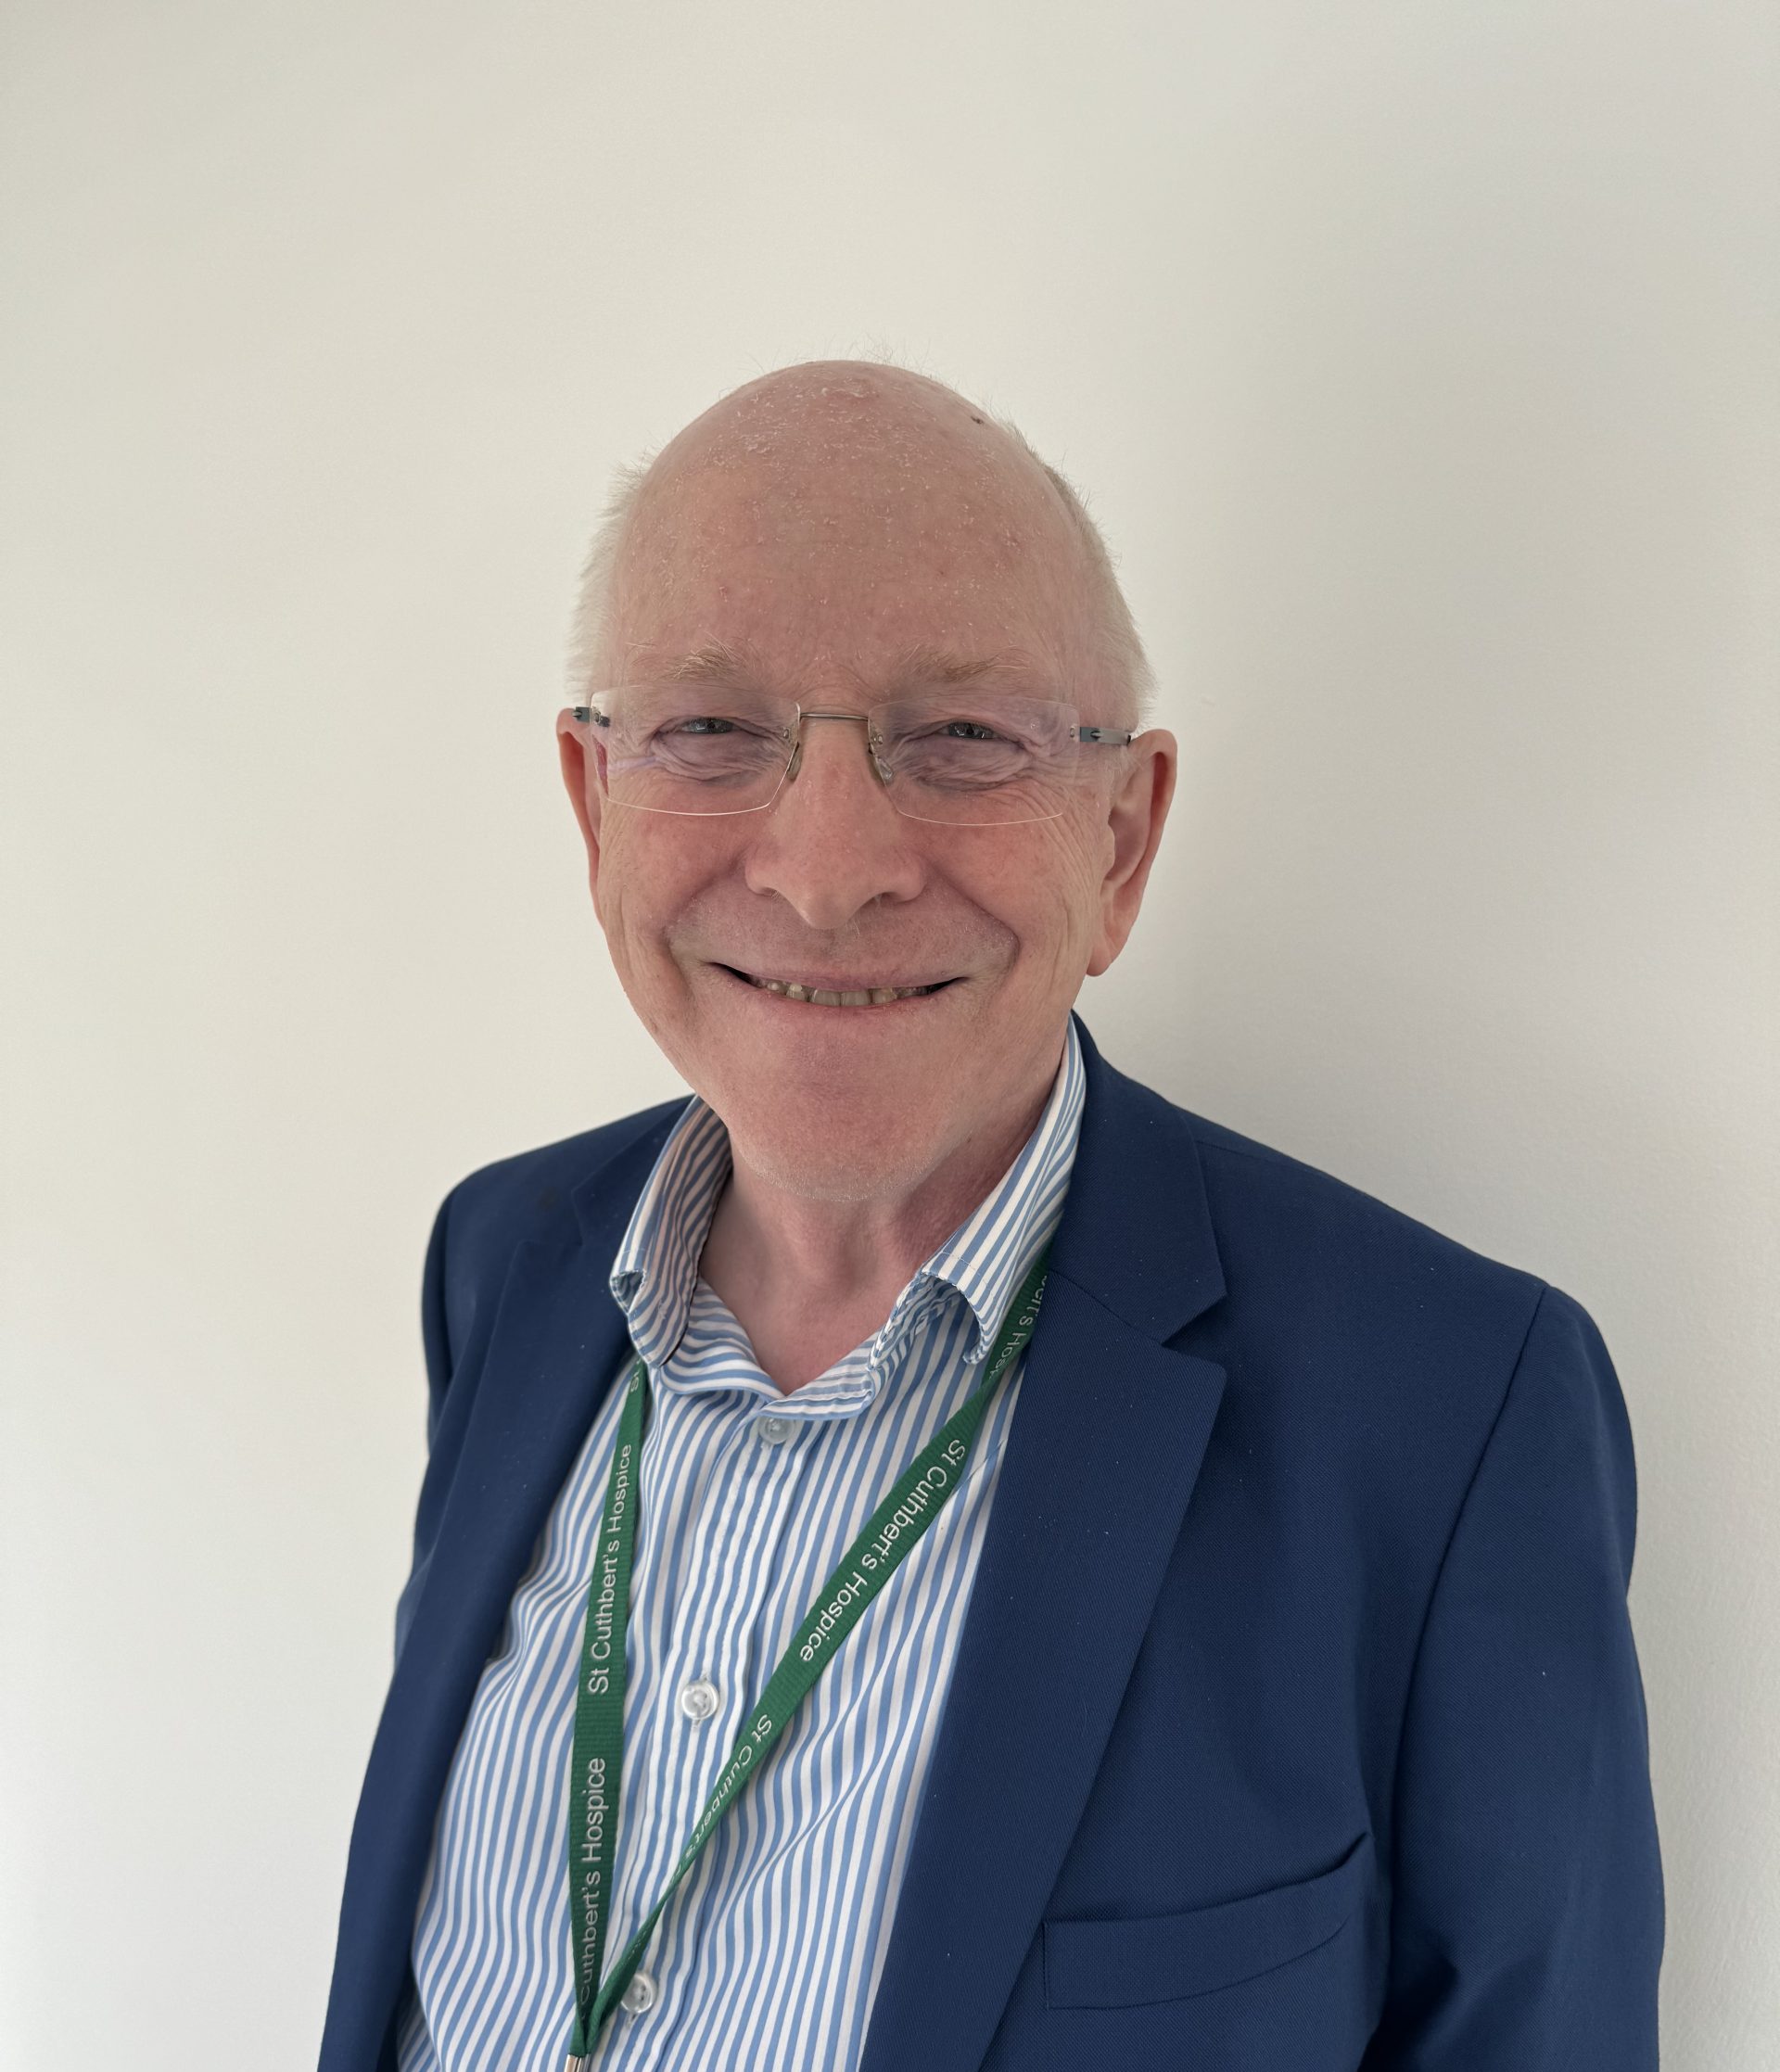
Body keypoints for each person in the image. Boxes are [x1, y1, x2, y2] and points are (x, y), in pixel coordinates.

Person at [320, 362, 1663, 2072]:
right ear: (596, 806)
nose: (825, 867)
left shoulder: (1450, 1417)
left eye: (959, 738)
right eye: (713, 730)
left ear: (1122, 836)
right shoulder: (501, 1267)